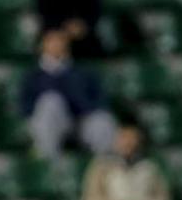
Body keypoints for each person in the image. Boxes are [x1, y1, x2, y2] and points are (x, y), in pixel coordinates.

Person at [81, 108, 177, 200]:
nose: (128, 142)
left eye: (132, 138)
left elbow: (163, 198)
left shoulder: (149, 165)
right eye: (123, 138)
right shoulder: (102, 165)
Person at [20, 28, 115, 157]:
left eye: (60, 40)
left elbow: (100, 101)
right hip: (49, 123)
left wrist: (84, 109)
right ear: (42, 44)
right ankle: (50, 164)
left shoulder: (83, 72)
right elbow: (25, 106)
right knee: (50, 102)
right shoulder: (33, 75)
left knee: (103, 120)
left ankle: (104, 168)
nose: (56, 44)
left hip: (81, 123)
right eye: (51, 40)